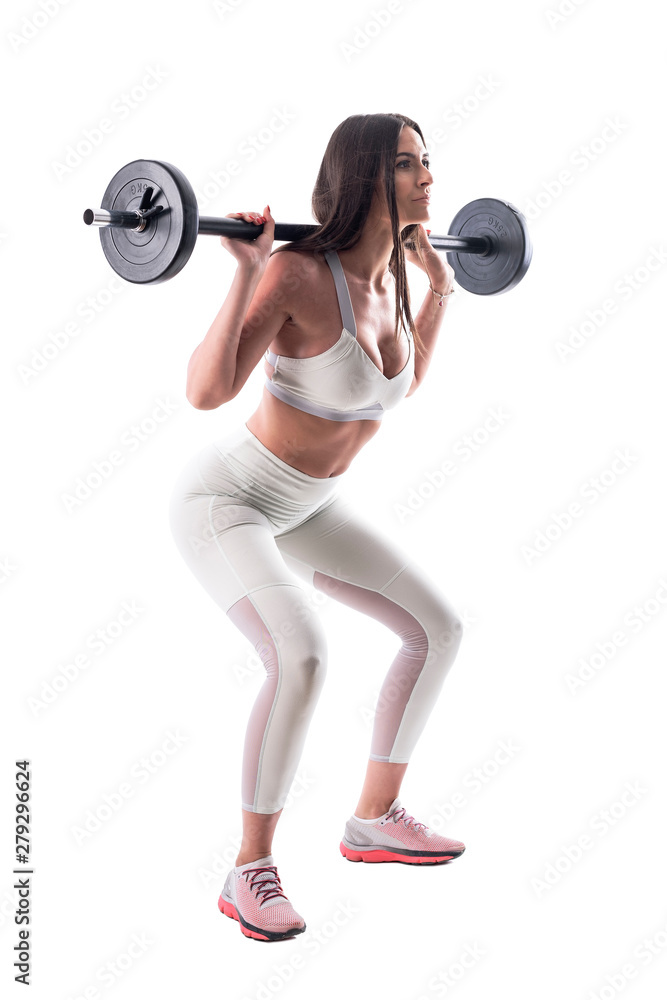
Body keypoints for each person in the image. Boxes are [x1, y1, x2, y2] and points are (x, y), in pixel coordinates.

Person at [168, 112, 465, 942]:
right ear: (368, 177)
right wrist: (246, 272)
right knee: (299, 653)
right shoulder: (299, 276)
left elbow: (401, 385)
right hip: (228, 500)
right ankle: (249, 868)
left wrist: (437, 283)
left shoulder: (398, 279)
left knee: (438, 628)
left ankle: (373, 818)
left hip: (307, 505)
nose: (429, 177)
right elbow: (206, 391)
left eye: (428, 161)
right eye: (409, 165)